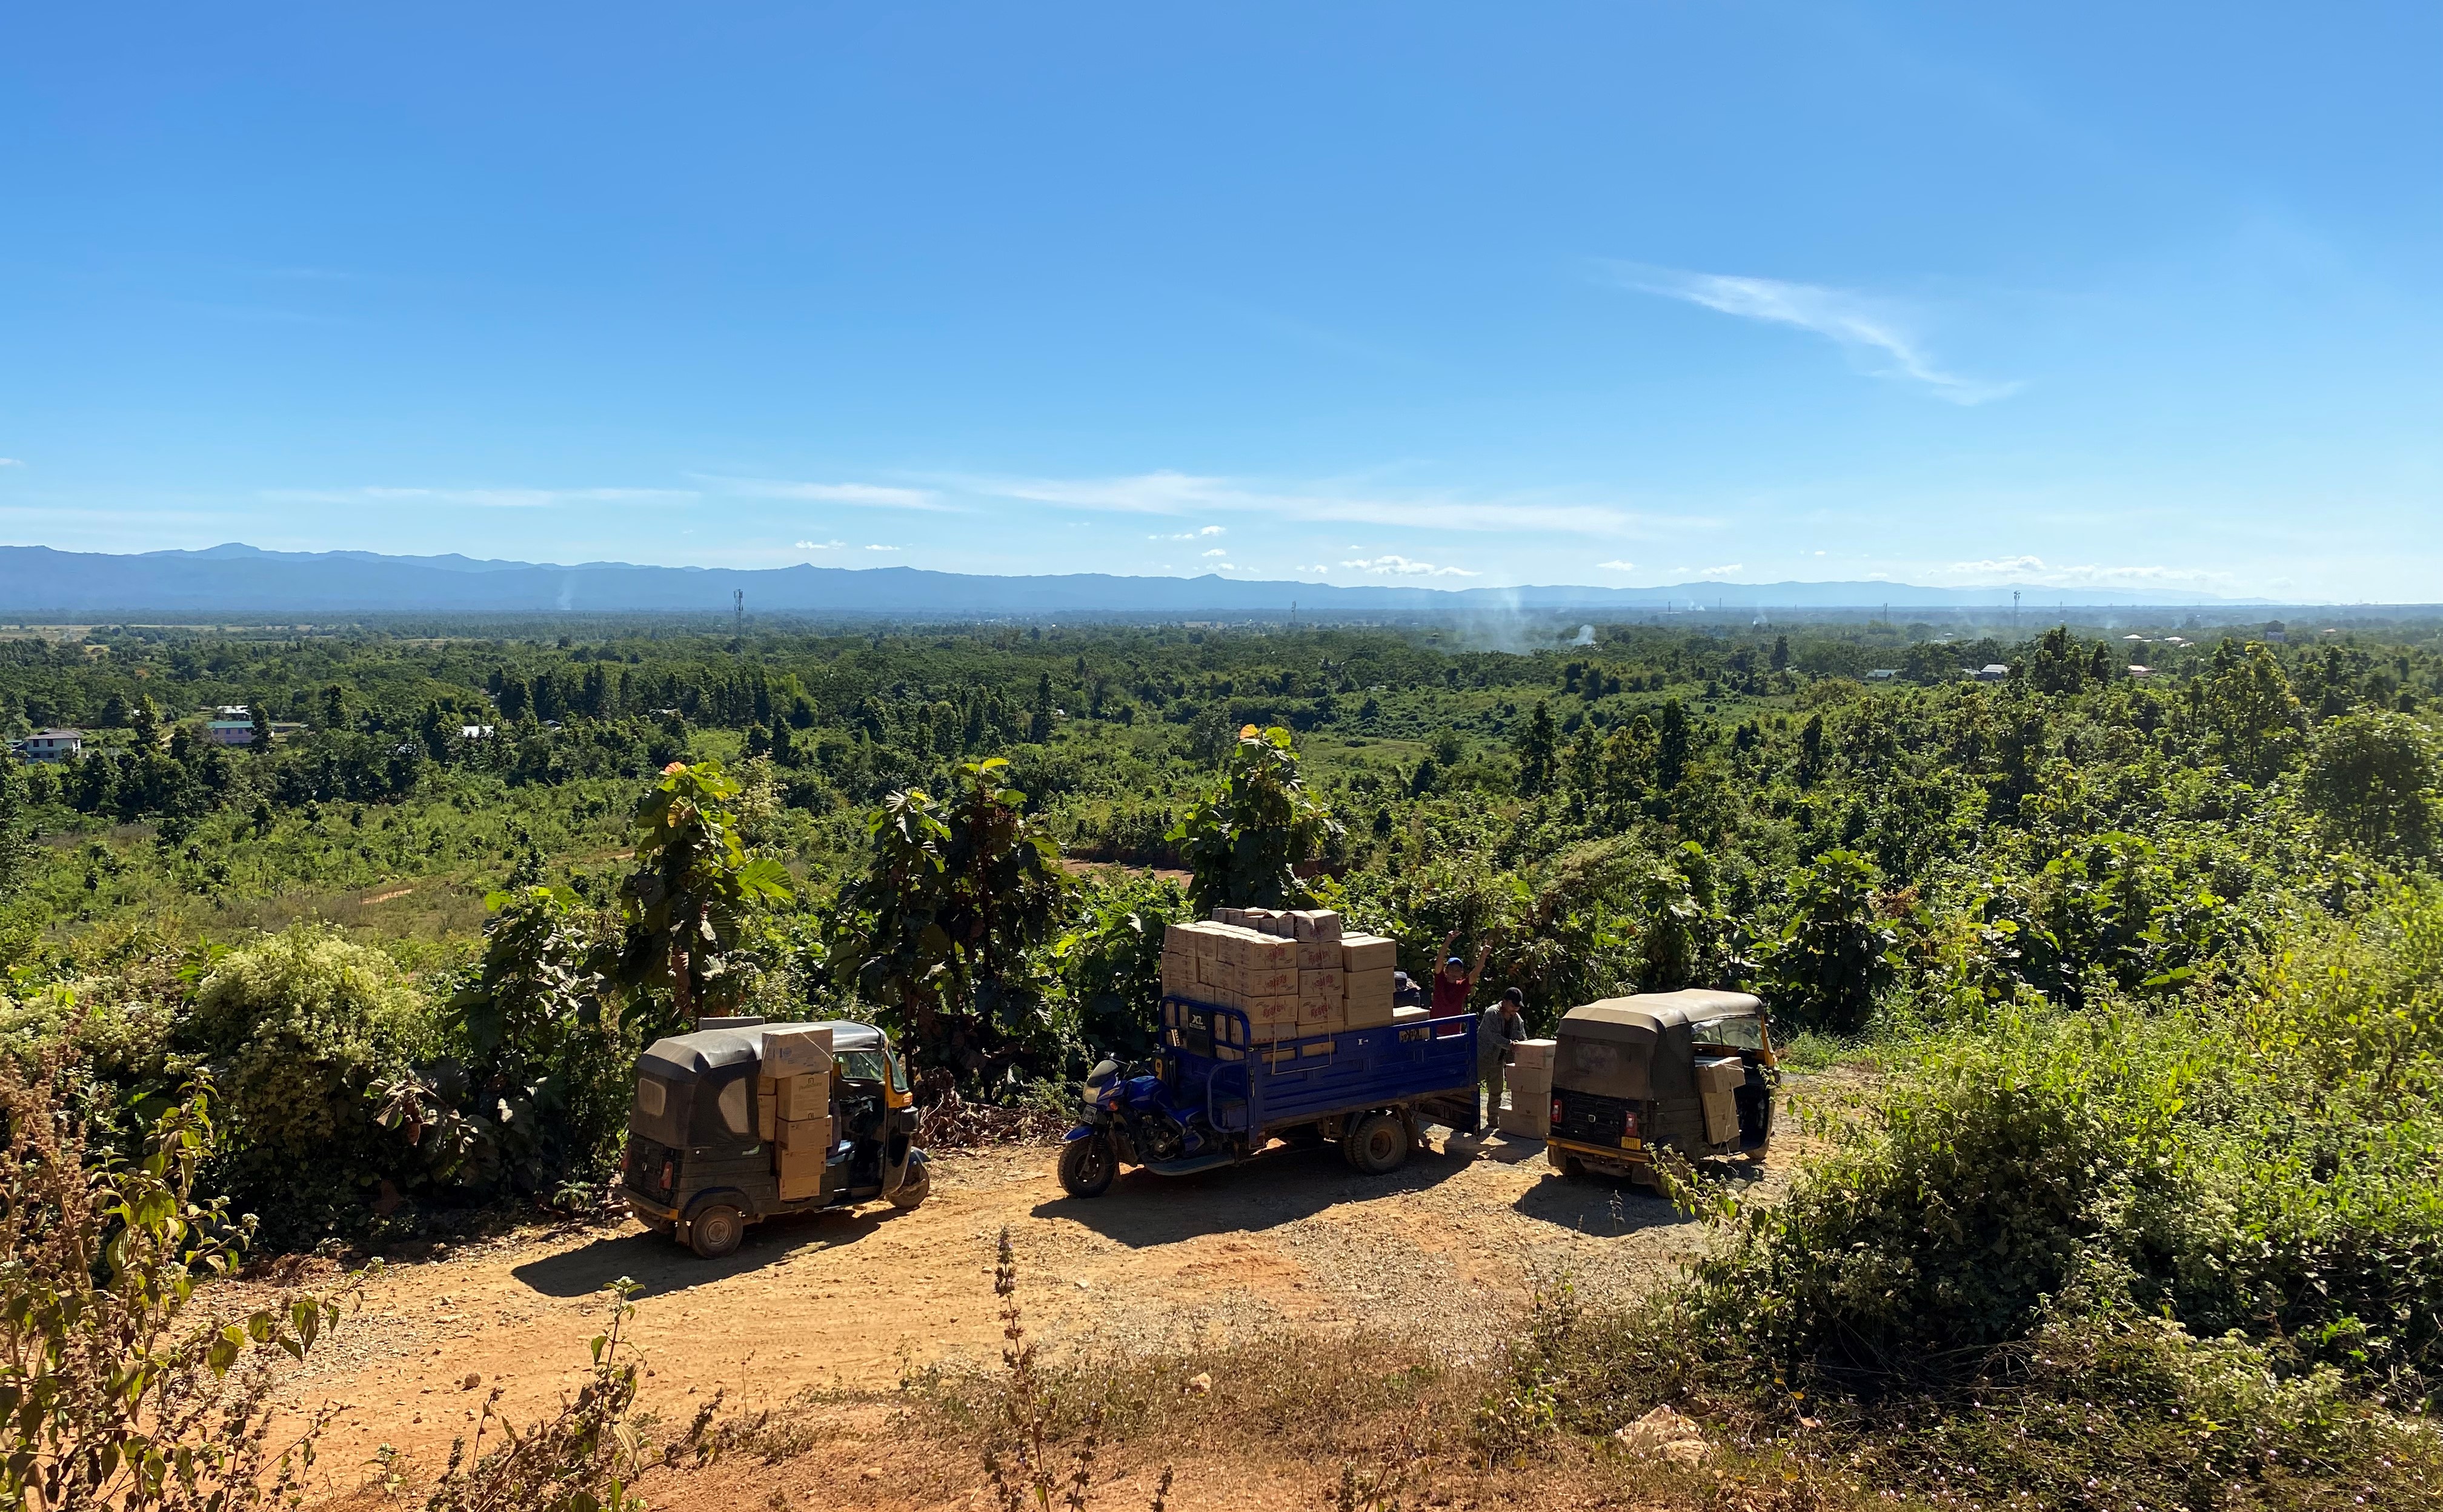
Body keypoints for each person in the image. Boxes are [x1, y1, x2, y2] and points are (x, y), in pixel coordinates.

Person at [1477, 987, 1527, 1129]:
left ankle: (1493, 1121)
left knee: (1496, 1092)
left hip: (1498, 1060)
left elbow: (1523, 1038)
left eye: (1517, 1006)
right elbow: (1493, 1036)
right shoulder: (1492, 1013)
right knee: (1471, 1089)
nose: (1515, 1009)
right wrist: (1510, 1045)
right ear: (1504, 1002)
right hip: (1482, 1058)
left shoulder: (1517, 1019)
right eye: (1513, 1005)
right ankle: (1467, 1119)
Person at [1431, 930, 1489, 1020]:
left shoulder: (1462, 986)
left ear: (1461, 973)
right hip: (1435, 1030)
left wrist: (1484, 955)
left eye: (1458, 970)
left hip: (1454, 1032)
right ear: (1446, 970)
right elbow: (1439, 961)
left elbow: (1476, 972)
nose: (1454, 972)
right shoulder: (1440, 981)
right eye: (1452, 969)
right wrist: (1447, 942)